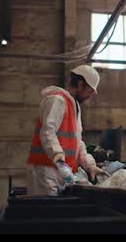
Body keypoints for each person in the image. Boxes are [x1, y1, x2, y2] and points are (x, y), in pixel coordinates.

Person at [26, 65, 107, 195]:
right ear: (80, 85)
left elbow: (77, 141)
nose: (90, 96)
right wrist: (57, 156)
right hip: (46, 170)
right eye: (89, 91)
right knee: (46, 211)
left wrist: (90, 165)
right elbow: (48, 132)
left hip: (62, 171)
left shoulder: (74, 106)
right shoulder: (57, 100)